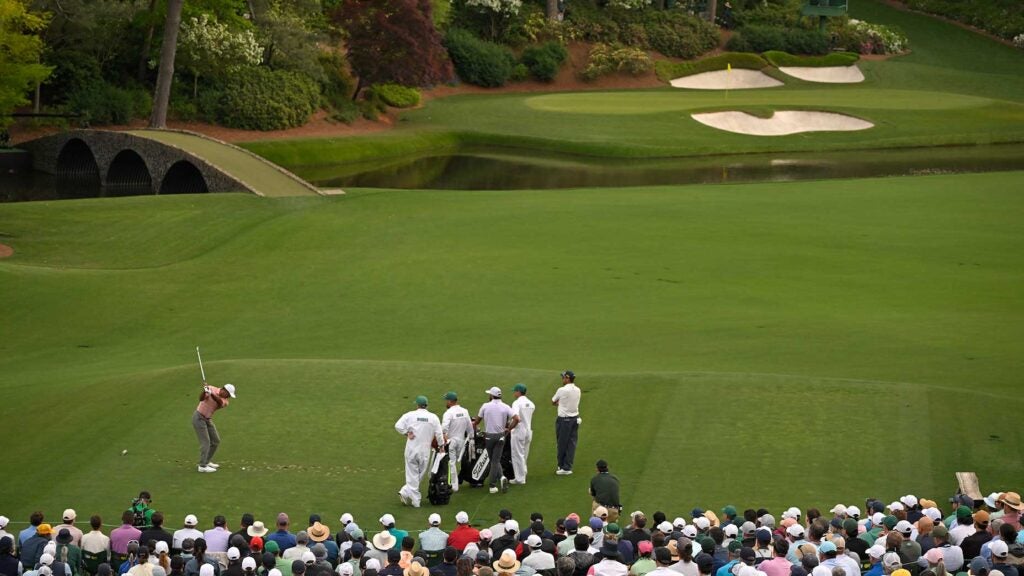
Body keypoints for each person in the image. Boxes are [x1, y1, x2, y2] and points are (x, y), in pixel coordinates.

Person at [394, 396, 445, 508]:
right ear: (427, 405)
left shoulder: (410, 415)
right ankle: (415, 501)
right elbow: (439, 434)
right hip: (425, 451)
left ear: (417, 405)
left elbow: (398, 425)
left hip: (411, 450)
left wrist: (407, 433)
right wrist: (441, 446)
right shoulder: (433, 417)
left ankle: (405, 492)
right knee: (419, 475)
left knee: (412, 475)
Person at [472, 387, 518, 494]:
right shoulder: (505, 406)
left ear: (492, 396)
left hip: (489, 437)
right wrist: (509, 429)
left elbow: (477, 421)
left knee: (494, 461)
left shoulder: (485, 406)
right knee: (496, 460)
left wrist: (473, 425)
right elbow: (517, 419)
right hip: (501, 436)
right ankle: (501, 477)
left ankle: (492, 485)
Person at [193, 381, 237, 473]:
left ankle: (206, 461)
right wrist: (205, 392)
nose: (228, 397)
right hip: (198, 418)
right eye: (228, 394)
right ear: (224, 390)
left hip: (208, 419)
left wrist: (211, 393)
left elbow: (219, 402)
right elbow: (201, 399)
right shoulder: (211, 388)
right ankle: (202, 466)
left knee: (216, 441)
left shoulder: (225, 401)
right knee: (206, 442)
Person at [440, 392, 472, 492]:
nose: (446, 402)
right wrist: (471, 439)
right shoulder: (465, 411)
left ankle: (454, 485)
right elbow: (469, 427)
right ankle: (462, 479)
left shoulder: (448, 413)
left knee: (451, 463)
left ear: (450, 401)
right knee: (462, 462)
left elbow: (444, 428)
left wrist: (443, 438)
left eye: (446, 401)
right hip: (462, 441)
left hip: (451, 441)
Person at [552, 370, 581, 476]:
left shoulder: (562, 390)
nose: (562, 379)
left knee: (562, 443)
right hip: (575, 419)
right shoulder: (578, 389)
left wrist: (560, 404)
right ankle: (568, 466)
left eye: (563, 377)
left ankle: (562, 466)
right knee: (571, 444)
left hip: (564, 420)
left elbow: (553, 401)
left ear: (567, 378)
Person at [509, 384, 535, 486]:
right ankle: (523, 472)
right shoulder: (531, 403)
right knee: (524, 453)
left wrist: (509, 428)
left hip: (519, 431)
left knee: (517, 455)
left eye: (515, 391)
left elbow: (516, 418)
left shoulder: (516, 403)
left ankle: (520, 479)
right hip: (528, 430)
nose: (514, 393)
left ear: (518, 392)